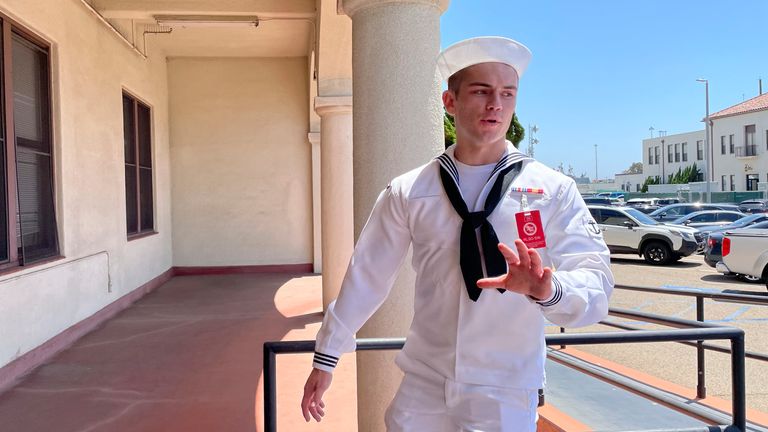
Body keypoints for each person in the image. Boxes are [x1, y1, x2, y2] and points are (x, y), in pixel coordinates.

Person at [301, 36, 614, 431]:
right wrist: (327, 354)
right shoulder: (410, 190)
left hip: (505, 387)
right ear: (450, 102)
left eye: (507, 94)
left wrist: (545, 289)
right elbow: (367, 274)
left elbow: (597, 282)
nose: (495, 105)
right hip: (424, 381)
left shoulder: (552, 189)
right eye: (481, 91)